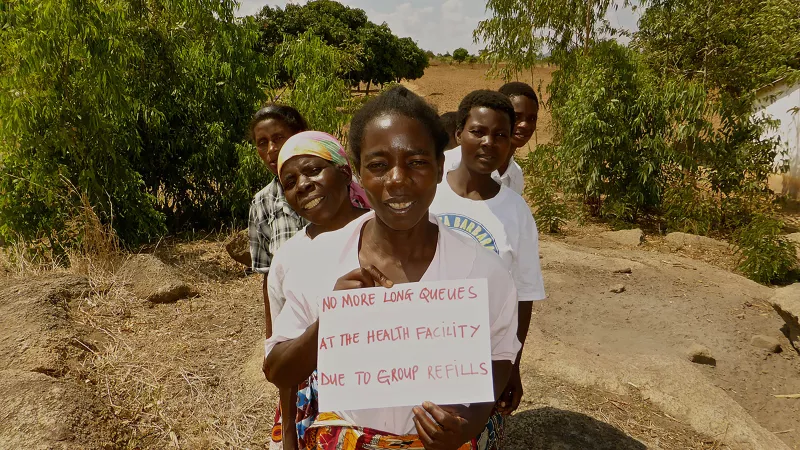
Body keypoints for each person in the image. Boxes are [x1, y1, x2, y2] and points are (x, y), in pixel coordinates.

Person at [264, 86, 521, 450]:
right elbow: (277, 370)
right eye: (379, 165)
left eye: (416, 162)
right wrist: (329, 323)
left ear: (438, 169)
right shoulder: (317, 260)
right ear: (358, 174)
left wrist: (469, 423)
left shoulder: (483, 270)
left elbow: (498, 357)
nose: (397, 179)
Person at [429, 90, 546, 419]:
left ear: (510, 143)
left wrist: (512, 367)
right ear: (458, 134)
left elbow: (523, 294)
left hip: (484, 357)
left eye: (500, 136)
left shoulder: (517, 211)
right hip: (423, 349)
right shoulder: (428, 198)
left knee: (470, 433)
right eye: (477, 132)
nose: (488, 143)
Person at [266, 131, 370, 450]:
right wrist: (288, 435)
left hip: (385, 405)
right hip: (318, 413)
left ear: (344, 172)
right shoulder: (286, 258)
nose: (303, 184)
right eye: (291, 181)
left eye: (313, 170)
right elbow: (280, 359)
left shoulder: (386, 233)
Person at [248, 104, 309, 341]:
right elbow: (268, 277)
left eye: (278, 138)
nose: (271, 149)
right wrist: (272, 339)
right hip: (295, 328)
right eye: (262, 143)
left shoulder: (336, 186)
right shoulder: (262, 204)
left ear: (299, 136)